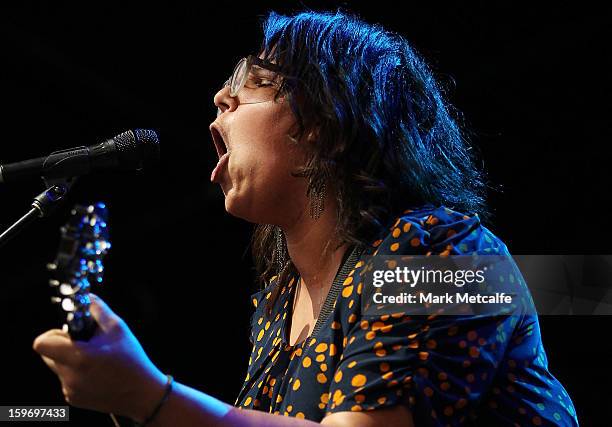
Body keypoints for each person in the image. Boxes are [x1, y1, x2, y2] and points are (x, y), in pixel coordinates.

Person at [33, 9, 579, 427]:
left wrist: (150, 397)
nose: (220, 98)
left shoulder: (446, 250)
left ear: (322, 118)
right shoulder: (278, 302)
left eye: (248, 89)